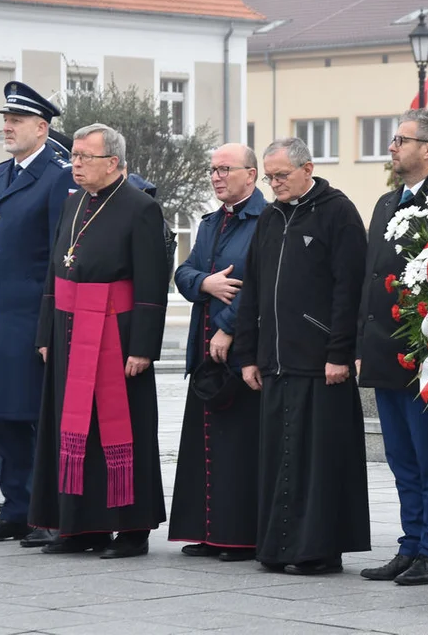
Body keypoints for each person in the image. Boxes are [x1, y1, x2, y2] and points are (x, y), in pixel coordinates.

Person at [30, 123, 169, 558]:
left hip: (117, 333)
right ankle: (82, 526)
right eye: (73, 156)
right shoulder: (73, 202)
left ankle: (131, 529)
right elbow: (56, 270)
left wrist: (143, 347)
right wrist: (46, 332)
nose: (74, 164)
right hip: (69, 330)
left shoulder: (140, 207)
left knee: (120, 430)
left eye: (84, 157)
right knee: (75, 430)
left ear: (112, 162)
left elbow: (152, 283)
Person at [234, 137, 371, 575]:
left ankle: (318, 550)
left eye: (282, 176)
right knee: (279, 459)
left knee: (319, 462)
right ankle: (277, 548)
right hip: (275, 360)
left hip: (320, 361)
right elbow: (252, 287)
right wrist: (247, 354)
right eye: (269, 177)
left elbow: (349, 290)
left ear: (307, 168)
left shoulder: (338, 212)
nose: (274, 185)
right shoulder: (271, 216)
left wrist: (339, 352)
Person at [0, 82, 76, 545]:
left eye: (16, 121)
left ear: (41, 127)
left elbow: (59, 256)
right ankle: (14, 507)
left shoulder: (57, 175)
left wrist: (49, 324)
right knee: (3, 417)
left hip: (32, 319)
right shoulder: (1, 174)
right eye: (4, 119)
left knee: (35, 418)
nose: (6, 127)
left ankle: (43, 510)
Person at [357, 110, 428, 586]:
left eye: (400, 139)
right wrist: (360, 341)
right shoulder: (386, 202)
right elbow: (370, 278)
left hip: (425, 353)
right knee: (399, 456)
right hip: (382, 348)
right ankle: (410, 544)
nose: (392, 147)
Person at [169, 143, 265, 561]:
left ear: (251, 174)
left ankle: (239, 537)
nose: (216, 176)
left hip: (243, 354)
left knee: (238, 450)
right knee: (205, 449)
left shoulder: (265, 221)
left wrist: (227, 327)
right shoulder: (209, 223)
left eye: (225, 169)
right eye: (212, 169)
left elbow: (260, 283)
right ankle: (208, 532)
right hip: (204, 355)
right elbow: (183, 272)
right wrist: (205, 284)